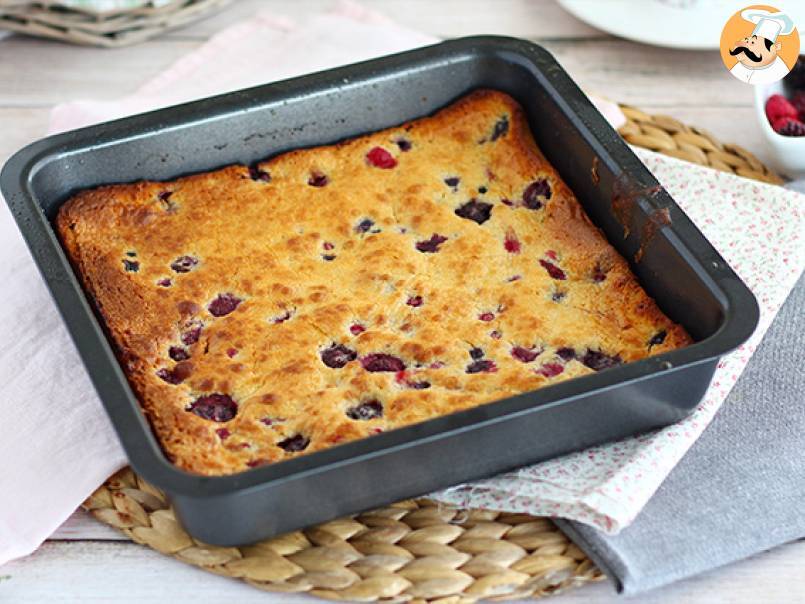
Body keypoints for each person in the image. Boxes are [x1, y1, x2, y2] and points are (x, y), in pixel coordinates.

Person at [729, 9, 795, 85]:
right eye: (747, 40)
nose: (745, 45)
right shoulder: (740, 65)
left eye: (753, 43)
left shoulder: (778, 71)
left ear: (775, 47)